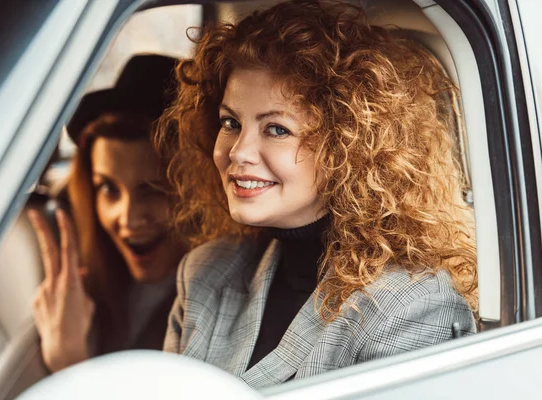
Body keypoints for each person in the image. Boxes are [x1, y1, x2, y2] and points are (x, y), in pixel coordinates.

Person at [155, 0, 478, 388]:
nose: (237, 151)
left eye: (276, 129)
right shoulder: (206, 272)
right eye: (231, 122)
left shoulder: (412, 306)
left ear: (348, 147)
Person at [29, 55, 186, 373]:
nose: (127, 219)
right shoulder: (90, 290)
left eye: (153, 189)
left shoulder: (215, 307)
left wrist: (67, 362)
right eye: (108, 189)